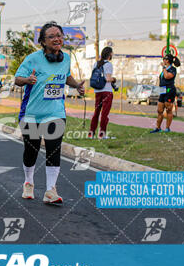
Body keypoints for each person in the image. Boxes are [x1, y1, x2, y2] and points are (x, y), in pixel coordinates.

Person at [14, 21, 85, 204]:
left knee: (54, 150)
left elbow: (66, 75)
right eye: (51, 36)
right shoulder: (32, 59)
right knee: (32, 150)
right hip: (32, 113)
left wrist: (76, 85)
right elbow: (17, 79)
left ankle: (50, 190)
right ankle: (28, 182)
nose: (57, 39)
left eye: (59, 35)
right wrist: (27, 79)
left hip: (55, 112)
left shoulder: (66, 58)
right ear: (43, 42)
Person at [89, 47, 116, 139]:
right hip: (107, 92)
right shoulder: (108, 64)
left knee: (96, 113)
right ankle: (102, 134)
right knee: (104, 114)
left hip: (98, 91)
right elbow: (108, 79)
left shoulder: (96, 63)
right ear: (110, 54)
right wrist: (114, 79)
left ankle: (91, 133)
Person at [150, 53, 181, 133]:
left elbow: (167, 76)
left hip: (169, 90)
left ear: (167, 61)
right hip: (162, 90)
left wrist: (164, 68)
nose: (163, 61)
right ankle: (158, 128)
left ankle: (167, 128)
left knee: (168, 110)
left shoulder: (172, 69)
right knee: (159, 110)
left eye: (164, 59)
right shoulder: (164, 69)